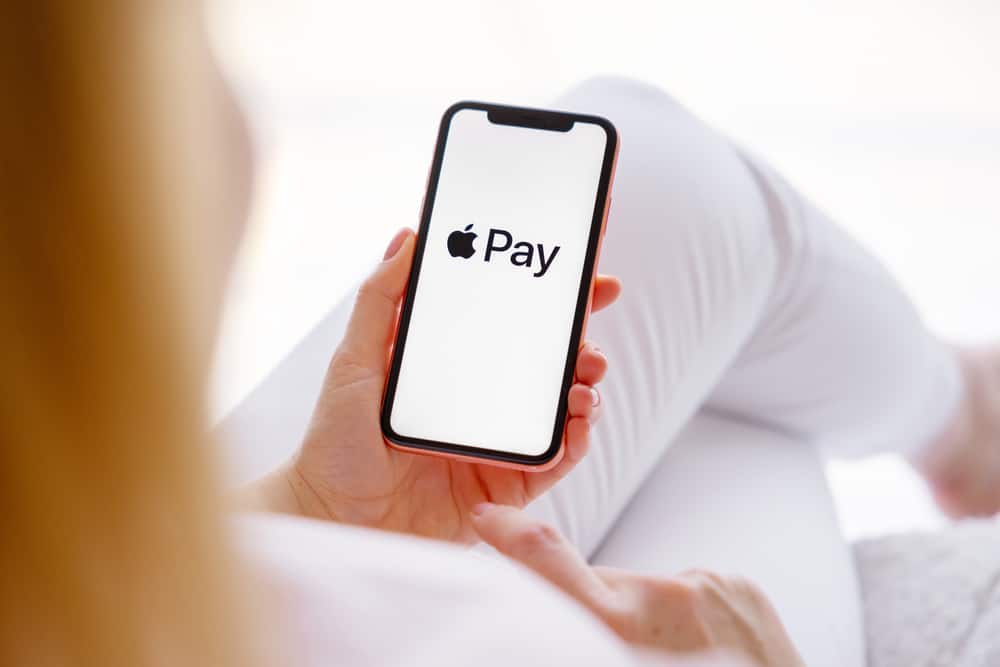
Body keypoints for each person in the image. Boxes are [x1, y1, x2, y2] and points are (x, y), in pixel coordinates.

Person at [3, 2, 999, 666]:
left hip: (127, 587)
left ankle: (952, 415)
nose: (236, 128)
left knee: (644, 173)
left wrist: (304, 504)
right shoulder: (495, 637)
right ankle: (954, 419)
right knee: (725, 413)